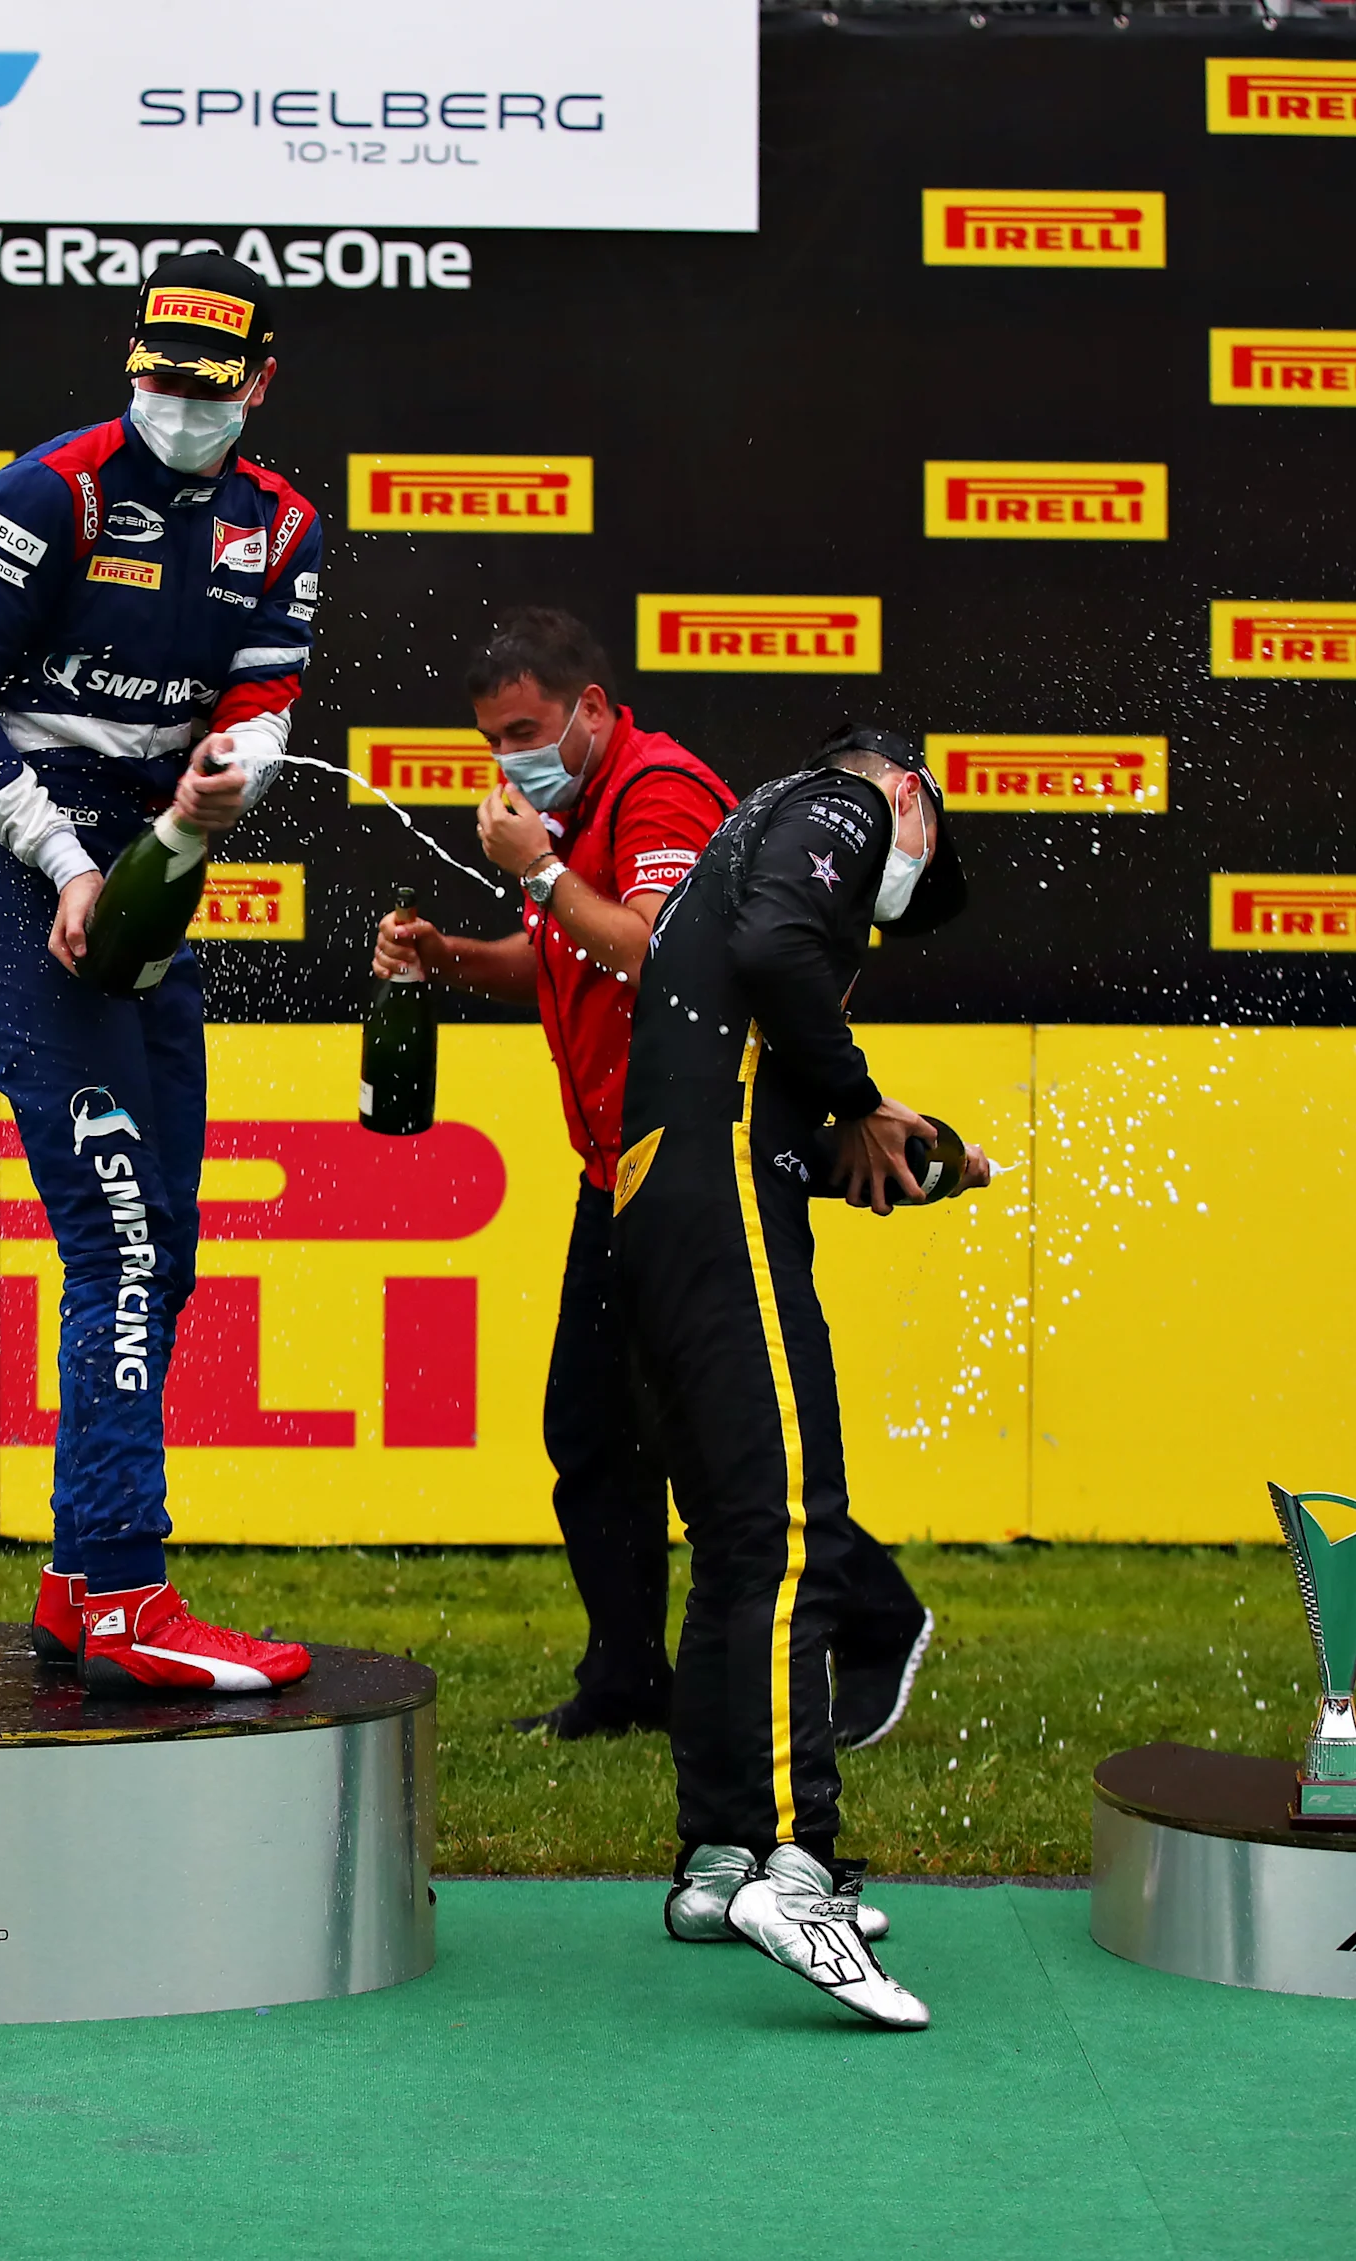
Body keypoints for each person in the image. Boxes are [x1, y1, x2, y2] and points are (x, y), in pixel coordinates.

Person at [376, 614, 939, 1752]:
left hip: (695, 1158)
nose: (507, 758)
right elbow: (564, 958)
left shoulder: (658, 790)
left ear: (590, 708)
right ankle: (630, 1676)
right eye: (490, 739)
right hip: (623, 1163)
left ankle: (877, 1619)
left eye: (524, 729)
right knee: (597, 1429)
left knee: (708, 1435)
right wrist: (450, 957)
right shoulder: (579, 806)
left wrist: (537, 871)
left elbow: (652, 951)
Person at [0, 251, 321, 1693]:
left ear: (259, 384)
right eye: (159, 380)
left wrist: (227, 779)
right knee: (121, 1242)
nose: (178, 407)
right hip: (27, 871)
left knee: (169, 1240)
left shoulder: (282, 523)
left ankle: (82, 1580)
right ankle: (132, 1592)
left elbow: (265, 693)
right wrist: (63, 863)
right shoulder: (50, 491)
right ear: (130, 363)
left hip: (157, 864)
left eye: (209, 388)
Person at [612, 720, 984, 2029]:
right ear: (911, 794)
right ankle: (795, 1865)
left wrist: (878, 1152)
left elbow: (762, 1103)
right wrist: (864, 1098)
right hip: (715, 1204)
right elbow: (780, 956)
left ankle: (719, 1859)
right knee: (788, 1536)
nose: (878, 917)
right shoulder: (843, 801)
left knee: (733, 1544)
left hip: (667, 1202)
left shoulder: (746, 842)